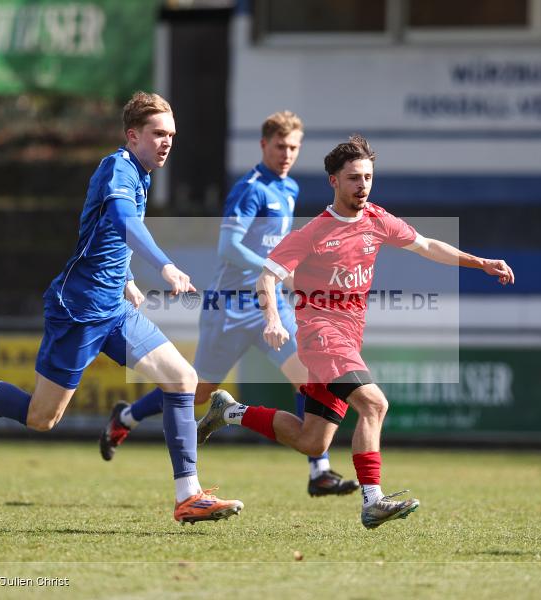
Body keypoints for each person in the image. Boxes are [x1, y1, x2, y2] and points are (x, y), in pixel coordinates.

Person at [0, 92, 243, 525]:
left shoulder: (141, 173)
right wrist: (166, 267)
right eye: (158, 133)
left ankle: (188, 495)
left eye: (171, 134)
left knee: (181, 379)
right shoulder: (117, 167)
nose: (167, 142)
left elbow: (105, 238)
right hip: (78, 310)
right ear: (132, 135)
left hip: (113, 308)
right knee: (42, 417)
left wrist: (129, 280)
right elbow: (123, 222)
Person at [197, 135, 515, 529]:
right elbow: (267, 277)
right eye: (353, 178)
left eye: (367, 177)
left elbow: (428, 245)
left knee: (313, 440)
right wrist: (274, 321)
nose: (362, 185)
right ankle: (373, 500)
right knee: (375, 404)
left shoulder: (377, 220)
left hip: (347, 341)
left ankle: (229, 411)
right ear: (334, 181)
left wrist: (480, 261)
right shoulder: (314, 233)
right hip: (320, 337)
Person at [98, 111, 359, 497]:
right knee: (199, 392)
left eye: (293, 147)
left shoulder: (288, 189)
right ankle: (127, 415)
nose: (286, 154)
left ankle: (318, 470)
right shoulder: (250, 188)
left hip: (270, 303)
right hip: (229, 308)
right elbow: (229, 248)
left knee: (310, 376)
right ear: (263, 145)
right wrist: (277, 267)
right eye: (279, 146)